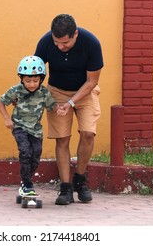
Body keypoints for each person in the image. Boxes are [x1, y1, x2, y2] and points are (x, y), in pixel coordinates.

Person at [34, 14, 104, 205]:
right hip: (57, 92)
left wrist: (71, 102)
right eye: (56, 42)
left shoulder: (91, 43)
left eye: (65, 43)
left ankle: (80, 180)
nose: (60, 47)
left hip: (85, 91)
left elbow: (92, 82)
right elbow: (35, 72)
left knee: (88, 133)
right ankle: (65, 188)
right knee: (62, 138)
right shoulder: (46, 42)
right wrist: (28, 96)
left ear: (75, 34)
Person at [0, 55, 66, 196]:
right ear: (21, 78)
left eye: (35, 80)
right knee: (25, 152)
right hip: (19, 127)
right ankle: (27, 185)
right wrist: (6, 119)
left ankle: (25, 182)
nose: (32, 84)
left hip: (36, 130)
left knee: (35, 156)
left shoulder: (44, 93)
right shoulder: (16, 90)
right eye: (28, 81)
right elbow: (0, 101)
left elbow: (51, 106)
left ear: (41, 79)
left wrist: (59, 108)